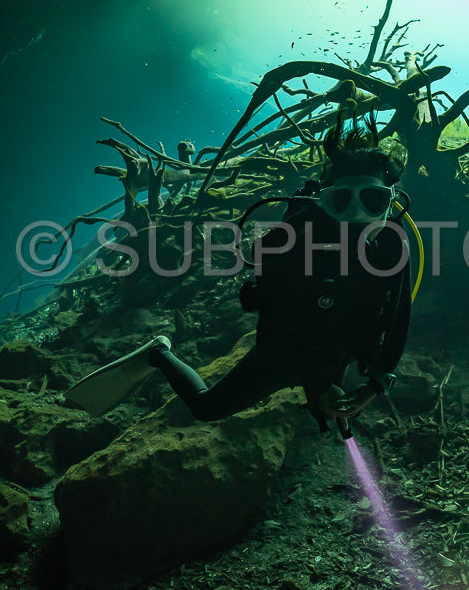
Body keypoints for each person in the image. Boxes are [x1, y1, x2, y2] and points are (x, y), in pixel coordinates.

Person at [65, 113, 411, 435]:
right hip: (285, 350)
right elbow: (282, 326)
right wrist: (321, 386)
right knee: (206, 408)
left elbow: (398, 318)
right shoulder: (302, 237)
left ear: (392, 201)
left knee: (329, 418)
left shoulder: (393, 245)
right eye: (341, 202)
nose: (356, 215)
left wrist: (378, 382)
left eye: (373, 201)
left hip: (338, 348)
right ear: (324, 201)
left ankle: (321, 401)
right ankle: (158, 353)